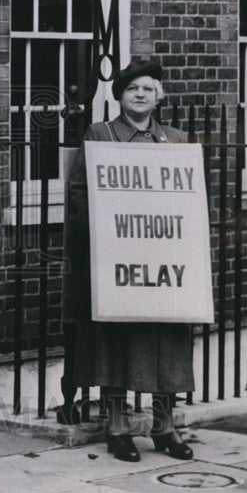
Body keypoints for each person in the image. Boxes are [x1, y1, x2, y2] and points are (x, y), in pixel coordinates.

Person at [62, 58, 195, 463]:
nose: (140, 94)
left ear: (160, 96)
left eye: (148, 88)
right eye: (132, 87)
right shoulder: (100, 136)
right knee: (115, 344)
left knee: (164, 342)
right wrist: (104, 233)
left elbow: (190, 201)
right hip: (116, 261)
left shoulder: (175, 140)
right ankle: (118, 428)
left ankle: (163, 427)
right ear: (119, 94)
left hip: (161, 264)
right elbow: (78, 193)